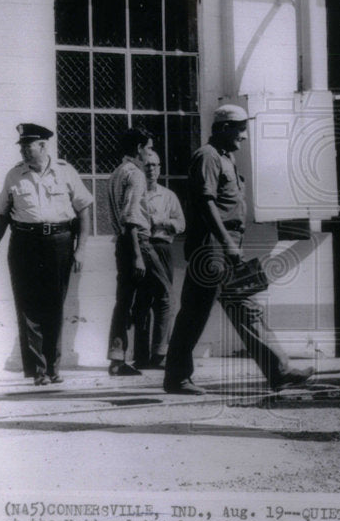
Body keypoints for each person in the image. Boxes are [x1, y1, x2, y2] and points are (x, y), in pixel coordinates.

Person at [163, 105, 314, 395]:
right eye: (240, 129)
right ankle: (178, 378)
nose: (244, 137)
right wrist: (227, 243)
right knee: (208, 310)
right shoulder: (207, 156)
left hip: (222, 244)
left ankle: (278, 371)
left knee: (233, 307)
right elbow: (206, 202)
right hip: (212, 246)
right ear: (223, 128)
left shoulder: (225, 157)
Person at [0, 123, 93, 386]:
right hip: (24, 243)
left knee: (54, 305)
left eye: (28, 146)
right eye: (21, 146)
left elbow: (83, 211)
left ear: (43, 146)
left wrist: (80, 249)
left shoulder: (66, 172)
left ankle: (54, 367)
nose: (23, 151)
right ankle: (38, 371)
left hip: (59, 241)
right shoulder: (14, 176)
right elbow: (1, 214)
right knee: (27, 306)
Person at [106, 128, 174, 376]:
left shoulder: (116, 173)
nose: (149, 153)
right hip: (139, 242)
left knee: (123, 301)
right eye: (147, 148)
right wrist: (137, 254)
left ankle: (117, 358)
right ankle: (160, 354)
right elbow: (131, 217)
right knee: (165, 294)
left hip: (122, 243)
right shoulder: (135, 175)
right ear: (138, 149)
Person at [131, 150, 185, 369]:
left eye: (155, 165)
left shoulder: (168, 196)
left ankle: (160, 353)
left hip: (162, 247)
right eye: (146, 165)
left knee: (163, 299)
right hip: (143, 246)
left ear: (160, 168)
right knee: (142, 301)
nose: (151, 170)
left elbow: (181, 224)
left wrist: (162, 221)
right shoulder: (136, 193)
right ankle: (141, 356)